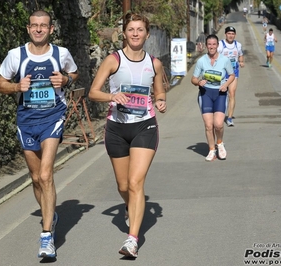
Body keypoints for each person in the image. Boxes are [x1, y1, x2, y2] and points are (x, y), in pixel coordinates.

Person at [0, 10, 79, 258]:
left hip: (52, 117)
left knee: (45, 174)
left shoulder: (60, 54)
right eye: (35, 26)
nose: (39, 29)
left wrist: (65, 80)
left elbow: (74, 73)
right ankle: (50, 215)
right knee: (34, 178)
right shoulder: (15, 55)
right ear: (28, 28)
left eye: (44, 26)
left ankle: (46, 237)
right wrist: (15, 86)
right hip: (26, 120)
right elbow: (0, 84)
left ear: (51, 29)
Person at [88, 12, 167, 258]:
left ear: (147, 33)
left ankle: (132, 239)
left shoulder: (154, 63)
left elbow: (160, 92)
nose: (135, 34)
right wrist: (112, 96)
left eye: (140, 30)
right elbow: (93, 92)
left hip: (145, 126)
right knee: (123, 185)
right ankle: (128, 205)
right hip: (117, 128)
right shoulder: (113, 61)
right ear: (124, 33)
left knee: (135, 183)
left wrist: (161, 102)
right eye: (131, 29)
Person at [191, 34, 235, 161]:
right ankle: (211, 150)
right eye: (209, 44)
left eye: (214, 44)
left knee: (219, 124)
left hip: (220, 94)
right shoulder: (201, 61)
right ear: (206, 45)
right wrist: (198, 82)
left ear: (217, 45)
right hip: (206, 94)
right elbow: (193, 78)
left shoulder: (224, 60)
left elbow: (231, 75)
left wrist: (226, 85)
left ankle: (220, 143)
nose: (211, 47)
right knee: (209, 126)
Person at [217, 26, 244, 127]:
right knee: (220, 94)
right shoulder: (220, 45)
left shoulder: (238, 45)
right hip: (222, 74)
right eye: (229, 33)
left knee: (231, 94)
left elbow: (241, 54)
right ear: (225, 34)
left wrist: (241, 61)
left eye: (232, 34)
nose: (230, 36)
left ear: (235, 35)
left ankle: (229, 118)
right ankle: (218, 114)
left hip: (233, 73)